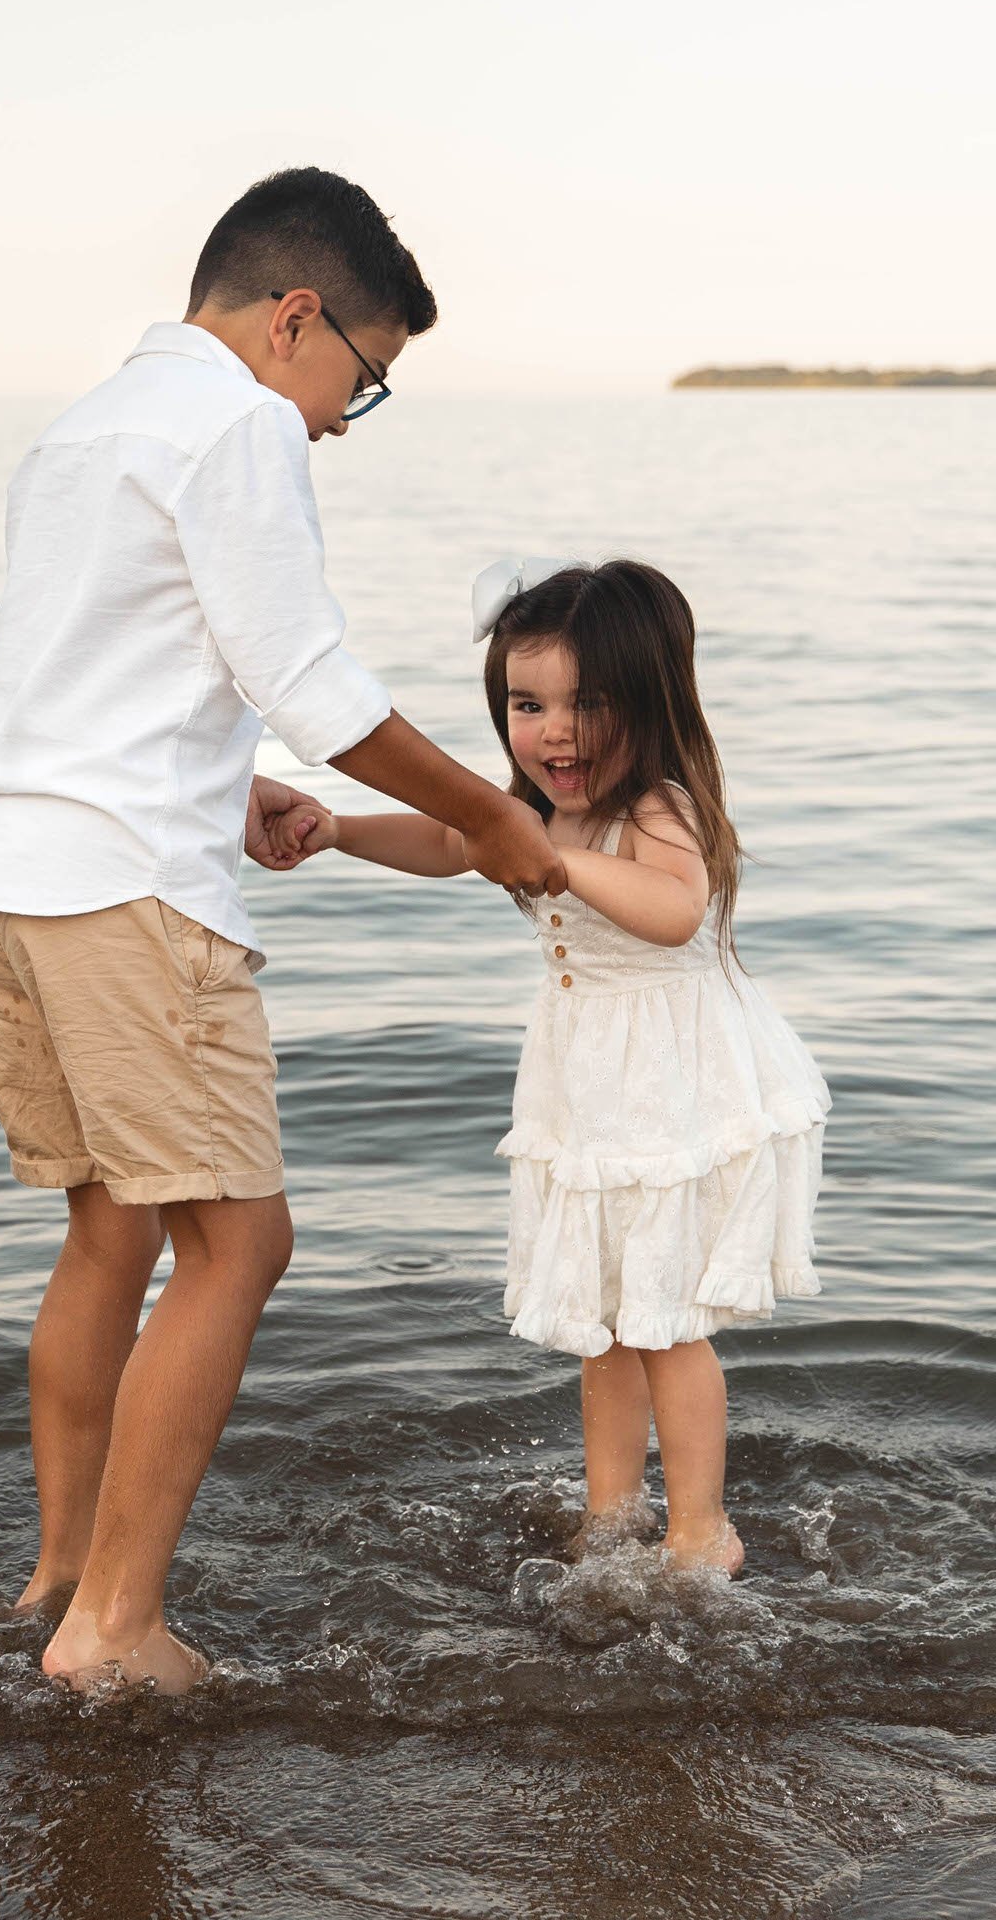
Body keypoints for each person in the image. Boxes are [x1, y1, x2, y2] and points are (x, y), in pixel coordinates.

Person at [0, 170, 563, 1692]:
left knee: (111, 1230)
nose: (348, 418)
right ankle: (118, 1630)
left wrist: (236, 793)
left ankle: (64, 1575)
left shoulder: (83, 428)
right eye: (365, 376)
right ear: (297, 319)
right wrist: (495, 820)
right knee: (240, 1241)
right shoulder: (239, 425)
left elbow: (89, 682)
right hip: (129, 898)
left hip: (13, 876)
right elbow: (316, 677)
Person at [275, 557, 827, 1572]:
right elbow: (452, 841)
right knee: (602, 1323)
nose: (555, 732)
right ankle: (611, 1512)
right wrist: (335, 827)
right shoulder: (533, 807)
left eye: (590, 703)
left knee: (666, 1323)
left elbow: (671, 913)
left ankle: (703, 1530)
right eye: (528, 704)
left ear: (651, 703)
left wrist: (561, 857)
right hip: (588, 1088)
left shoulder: (656, 809)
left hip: (674, 1087)